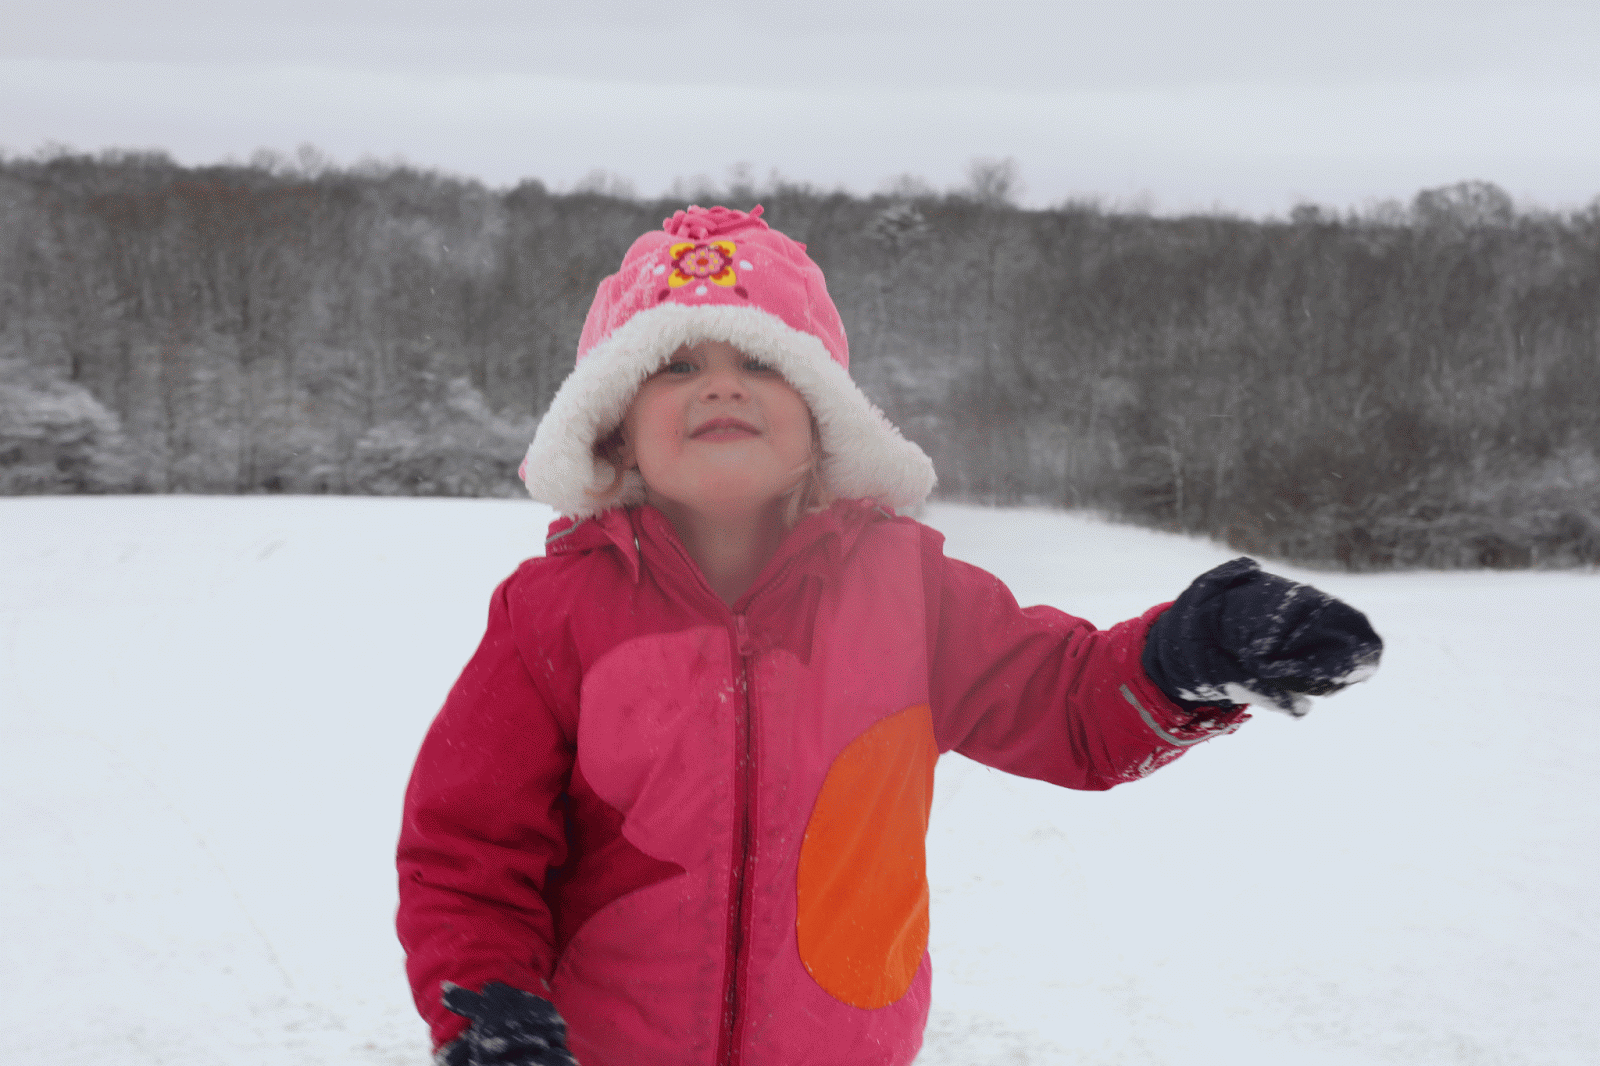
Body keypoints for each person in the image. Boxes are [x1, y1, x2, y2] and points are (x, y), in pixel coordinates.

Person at [396, 205, 1382, 1066]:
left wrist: (1187, 654)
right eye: (678, 364)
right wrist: (488, 997)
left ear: (822, 418)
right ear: (615, 425)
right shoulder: (553, 614)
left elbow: (1067, 702)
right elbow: (468, 845)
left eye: (759, 362)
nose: (721, 387)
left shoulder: (908, 595)